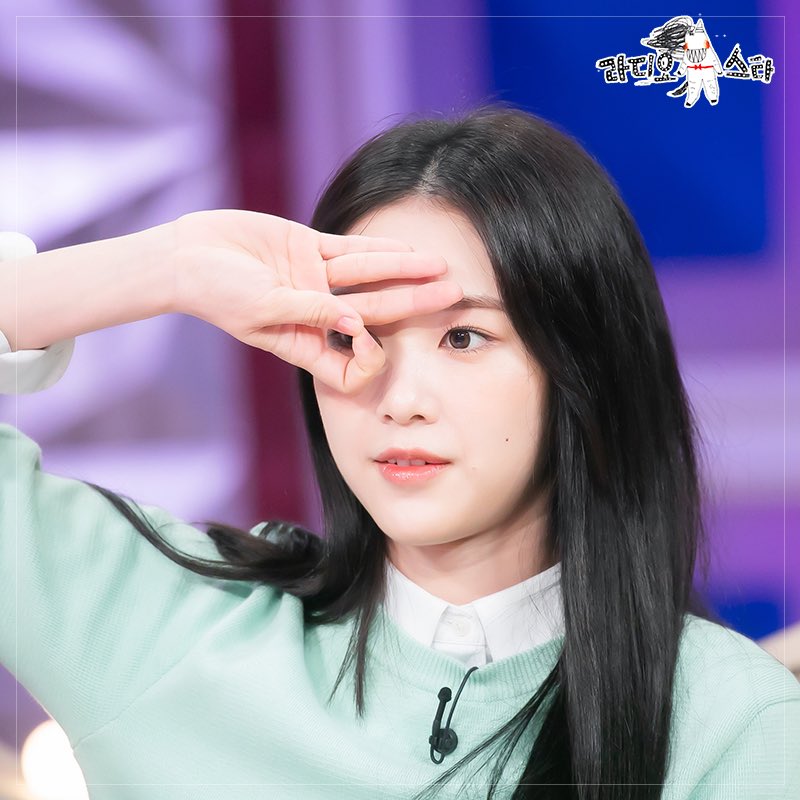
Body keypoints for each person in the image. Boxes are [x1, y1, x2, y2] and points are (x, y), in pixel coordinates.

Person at [0, 106, 797, 800]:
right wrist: (169, 266)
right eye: (356, 333)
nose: (398, 397)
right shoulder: (170, 624)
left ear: (583, 368)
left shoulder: (726, 722)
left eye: (464, 337)